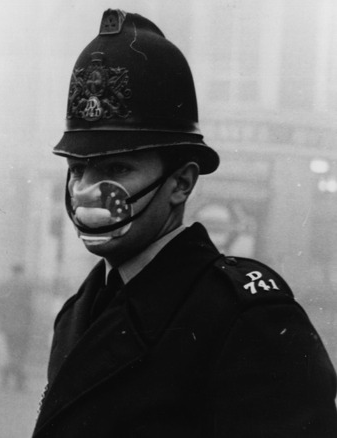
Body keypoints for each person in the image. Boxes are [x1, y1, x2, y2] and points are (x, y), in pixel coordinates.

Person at [32, 9, 337, 437]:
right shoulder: (79, 313)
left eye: (117, 169)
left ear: (181, 183)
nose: (87, 190)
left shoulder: (246, 320)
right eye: (79, 168)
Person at [0, 263, 34, 391]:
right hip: (22, 326)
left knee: (11, 352)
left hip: (7, 326)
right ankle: (18, 381)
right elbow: (29, 307)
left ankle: (7, 377)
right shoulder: (26, 285)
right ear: (22, 271)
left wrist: (3, 319)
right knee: (20, 354)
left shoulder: (3, 285)